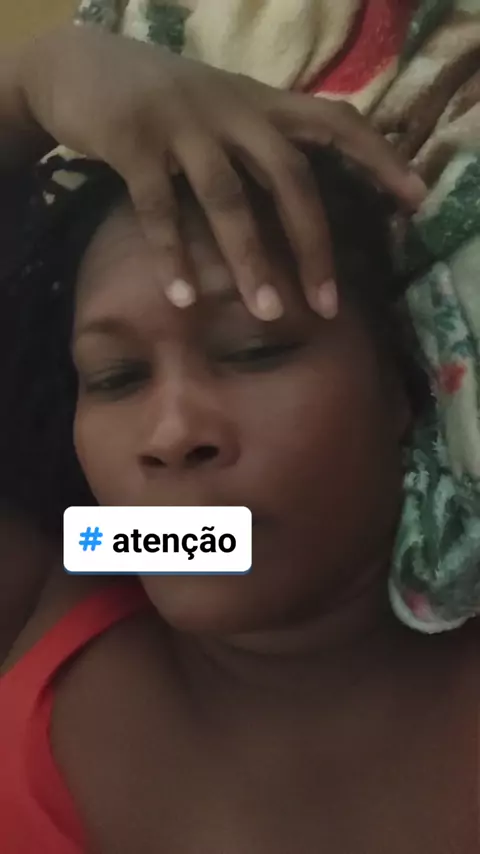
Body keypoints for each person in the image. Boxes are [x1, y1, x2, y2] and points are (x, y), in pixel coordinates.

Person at [0, 138, 478, 853]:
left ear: (404, 381)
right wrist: (44, 86)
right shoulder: (80, 558)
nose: (171, 433)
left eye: (254, 350)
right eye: (116, 376)